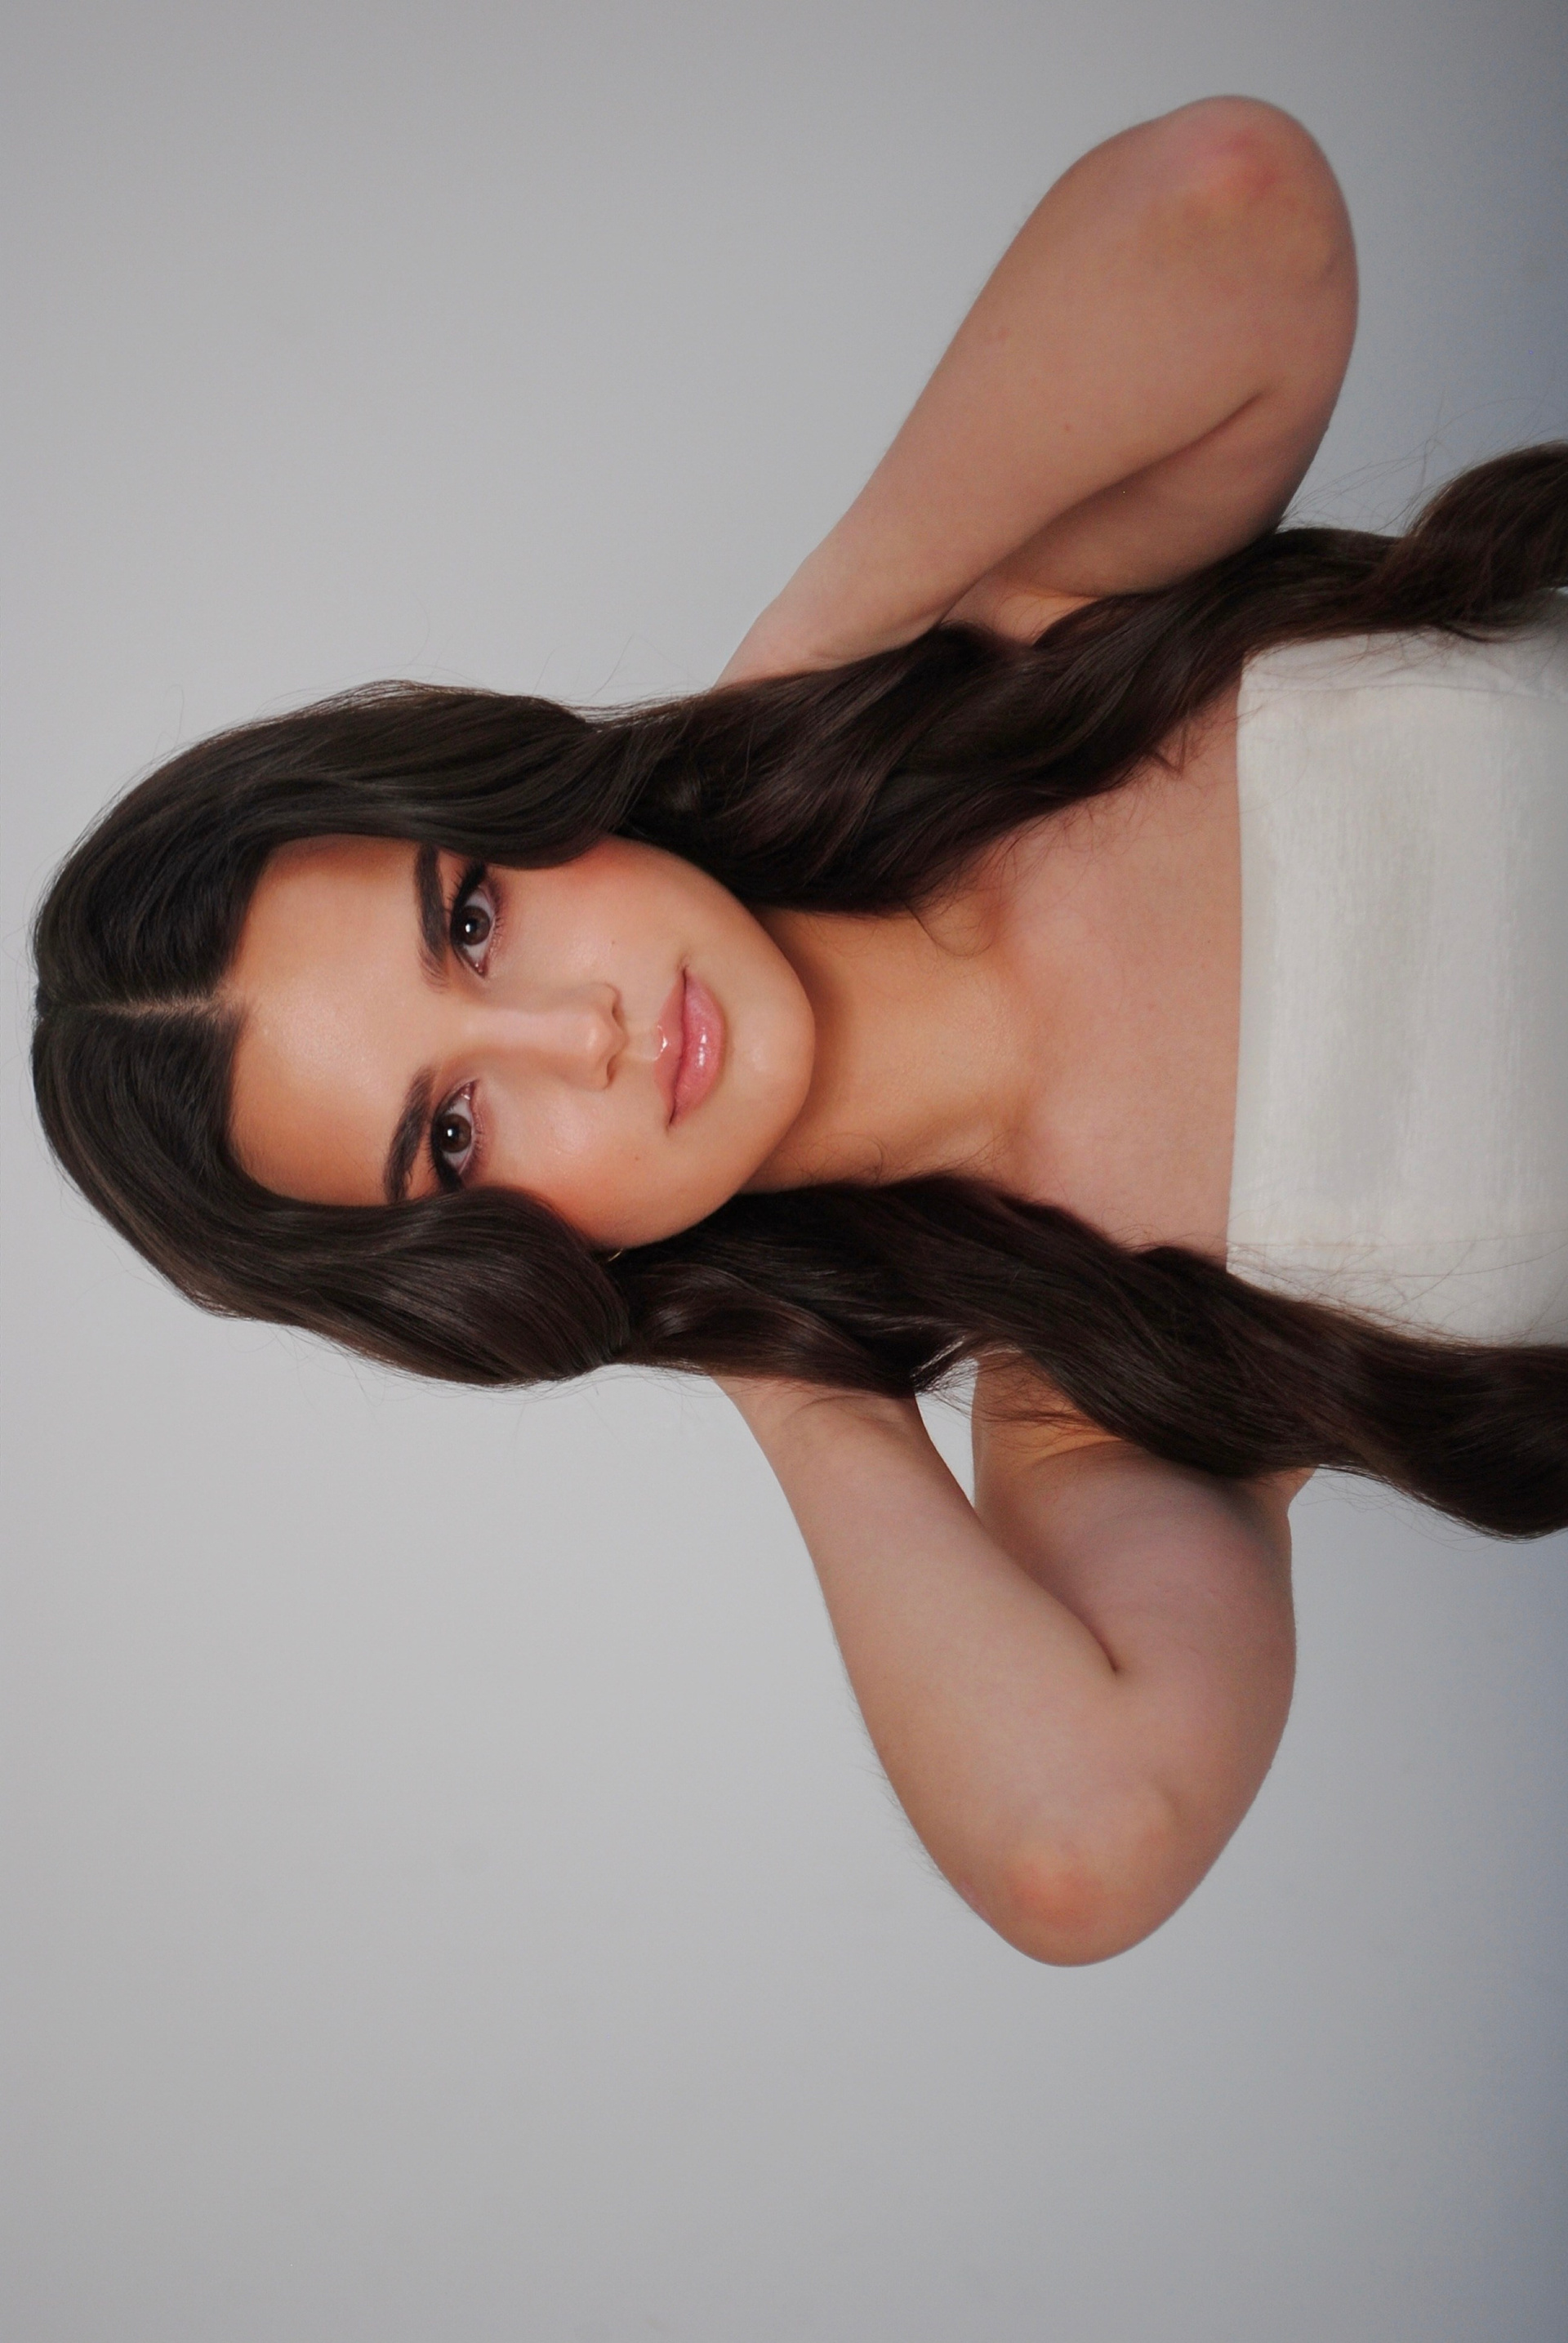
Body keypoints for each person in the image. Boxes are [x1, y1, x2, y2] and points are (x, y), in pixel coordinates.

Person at [31, 97, 1568, 1966]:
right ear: (487, 1272)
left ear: (507, 798)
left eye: (474, 919)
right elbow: (1085, 1846)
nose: (581, 1034)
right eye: (456, 1135)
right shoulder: (1094, 1411)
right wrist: (748, 1347)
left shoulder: (1046, 635)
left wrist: (813, 647)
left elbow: (1239, 209)